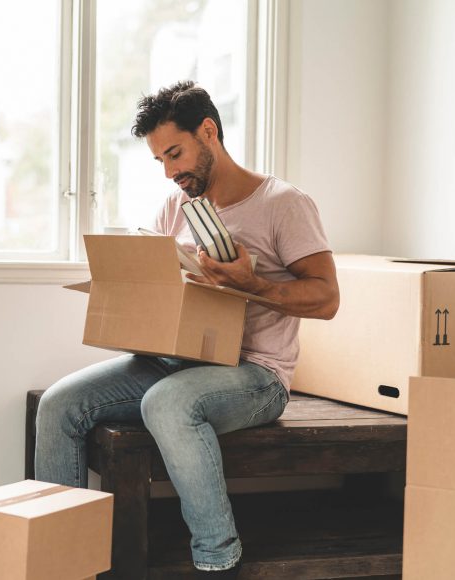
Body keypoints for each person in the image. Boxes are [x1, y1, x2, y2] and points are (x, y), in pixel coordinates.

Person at [35, 80, 339, 579]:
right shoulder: (174, 208)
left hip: (255, 375)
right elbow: (158, 293)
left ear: (209, 131)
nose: (171, 171)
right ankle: (58, 559)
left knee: (167, 403)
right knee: (59, 403)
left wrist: (252, 284)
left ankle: (219, 560)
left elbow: (328, 300)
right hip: (174, 360)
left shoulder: (284, 203)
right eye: (160, 161)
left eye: (175, 153)